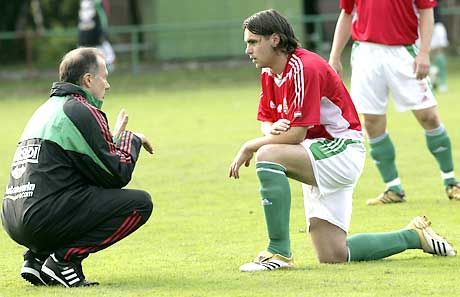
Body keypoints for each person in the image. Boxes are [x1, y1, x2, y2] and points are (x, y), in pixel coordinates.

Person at [229, 9, 455, 272]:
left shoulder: (305, 67)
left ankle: (278, 252)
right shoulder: (270, 74)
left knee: (267, 156)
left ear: (275, 40)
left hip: (341, 150)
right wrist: (271, 129)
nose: (248, 50)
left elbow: (296, 134)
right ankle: (413, 236)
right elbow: (267, 118)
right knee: (334, 253)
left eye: (253, 42)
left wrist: (251, 145)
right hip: (316, 153)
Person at [1, 47, 154, 287]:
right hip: (42, 217)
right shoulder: (80, 110)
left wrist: (112, 139)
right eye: (104, 76)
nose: (108, 84)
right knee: (140, 204)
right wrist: (131, 139)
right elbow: (117, 173)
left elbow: (79, 166)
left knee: (78, 185)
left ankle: (38, 258)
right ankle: (63, 261)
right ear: (88, 79)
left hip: (13, 219)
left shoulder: (45, 110)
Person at [328, 0, 460, 205]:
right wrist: (335, 56)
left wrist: (424, 52)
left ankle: (451, 181)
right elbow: (346, 14)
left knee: (429, 117)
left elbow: (427, 11)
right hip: (366, 54)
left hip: (403, 52)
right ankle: (393, 188)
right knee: (371, 122)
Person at [78, 0, 116, 72]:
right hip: (88, 36)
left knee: (106, 53)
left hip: (95, 35)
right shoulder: (88, 4)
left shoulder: (95, 4)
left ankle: (107, 66)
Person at [430, 2, 449, 92]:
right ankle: (430, 81)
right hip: (422, 27)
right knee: (425, 55)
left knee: (439, 54)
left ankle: (442, 83)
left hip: (437, 26)